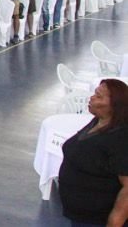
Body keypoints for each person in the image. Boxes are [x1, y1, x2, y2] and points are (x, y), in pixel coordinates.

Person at [58, 79, 128, 226]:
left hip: (97, 219)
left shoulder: (121, 139)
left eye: (99, 96)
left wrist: (114, 223)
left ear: (115, 106)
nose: (91, 98)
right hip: (80, 213)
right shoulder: (99, 121)